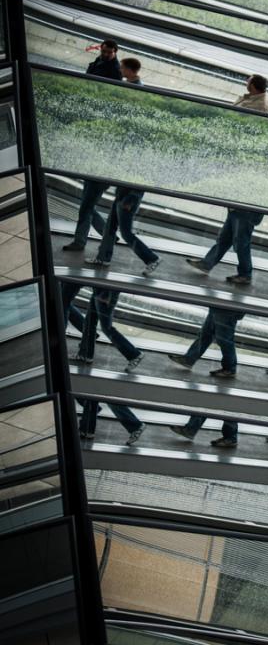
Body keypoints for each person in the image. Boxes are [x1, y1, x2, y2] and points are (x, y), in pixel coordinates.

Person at [64, 284, 145, 446]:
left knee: (105, 327)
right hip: (101, 289)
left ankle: (133, 353)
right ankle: (88, 428)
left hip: (104, 290)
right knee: (91, 320)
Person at [62, 39, 122, 253]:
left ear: (114, 52)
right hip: (94, 166)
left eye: (108, 52)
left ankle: (80, 241)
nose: (104, 54)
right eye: (103, 51)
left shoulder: (114, 72)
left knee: (86, 207)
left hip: (98, 169)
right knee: (87, 206)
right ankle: (108, 234)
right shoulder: (99, 62)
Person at [168, 307, 244, 448]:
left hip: (226, 308)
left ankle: (229, 367)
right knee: (207, 333)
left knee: (223, 338)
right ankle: (190, 358)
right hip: (220, 306)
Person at [85, 185, 161, 277]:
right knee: (109, 227)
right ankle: (103, 258)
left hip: (128, 198)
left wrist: (130, 200)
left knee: (126, 233)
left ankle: (152, 259)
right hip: (122, 195)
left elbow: (139, 183)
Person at [186, 207, 263, 285]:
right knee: (224, 239)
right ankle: (206, 264)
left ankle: (245, 275)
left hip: (244, 212)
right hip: (236, 210)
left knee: (241, 244)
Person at [167, 307, 244, 379]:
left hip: (226, 310)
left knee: (224, 340)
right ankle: (189, 359)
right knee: (206, 334)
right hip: (218, 307)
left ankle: (229, 369)